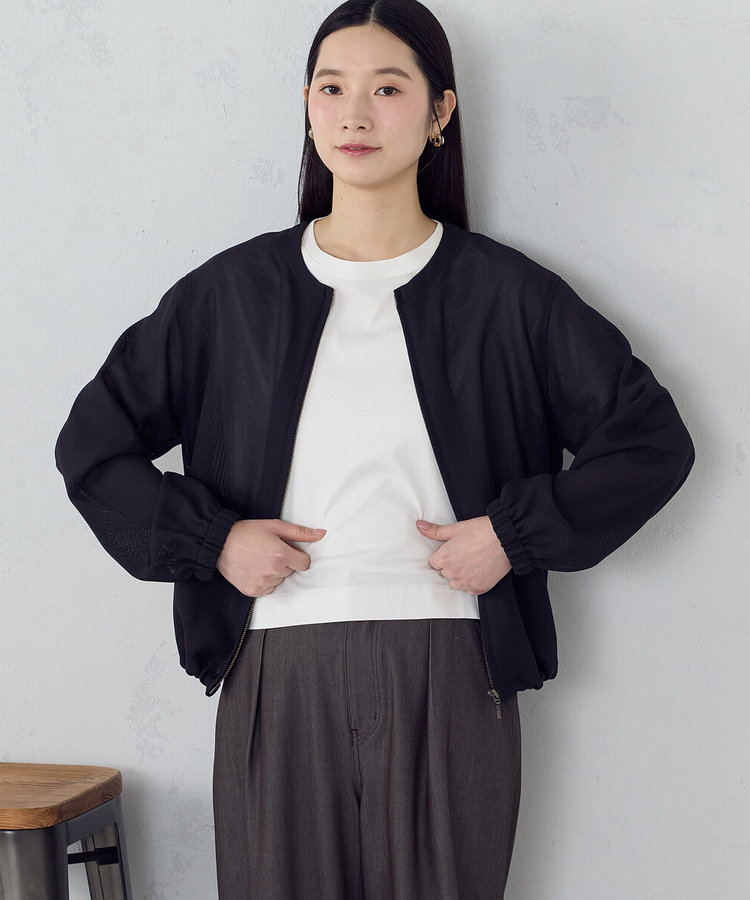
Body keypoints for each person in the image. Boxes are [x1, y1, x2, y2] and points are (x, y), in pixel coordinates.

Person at [54, 0, 695, 897]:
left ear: (440, 112)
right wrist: (214, 541)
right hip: (275, 665)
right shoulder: (227, 297)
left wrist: (512, 536)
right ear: (307, 108)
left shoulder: (509, 297)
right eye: (331, 88)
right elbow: (93, 449)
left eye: (388, 89)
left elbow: (652, 442)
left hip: (454, 663)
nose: (355, 114)